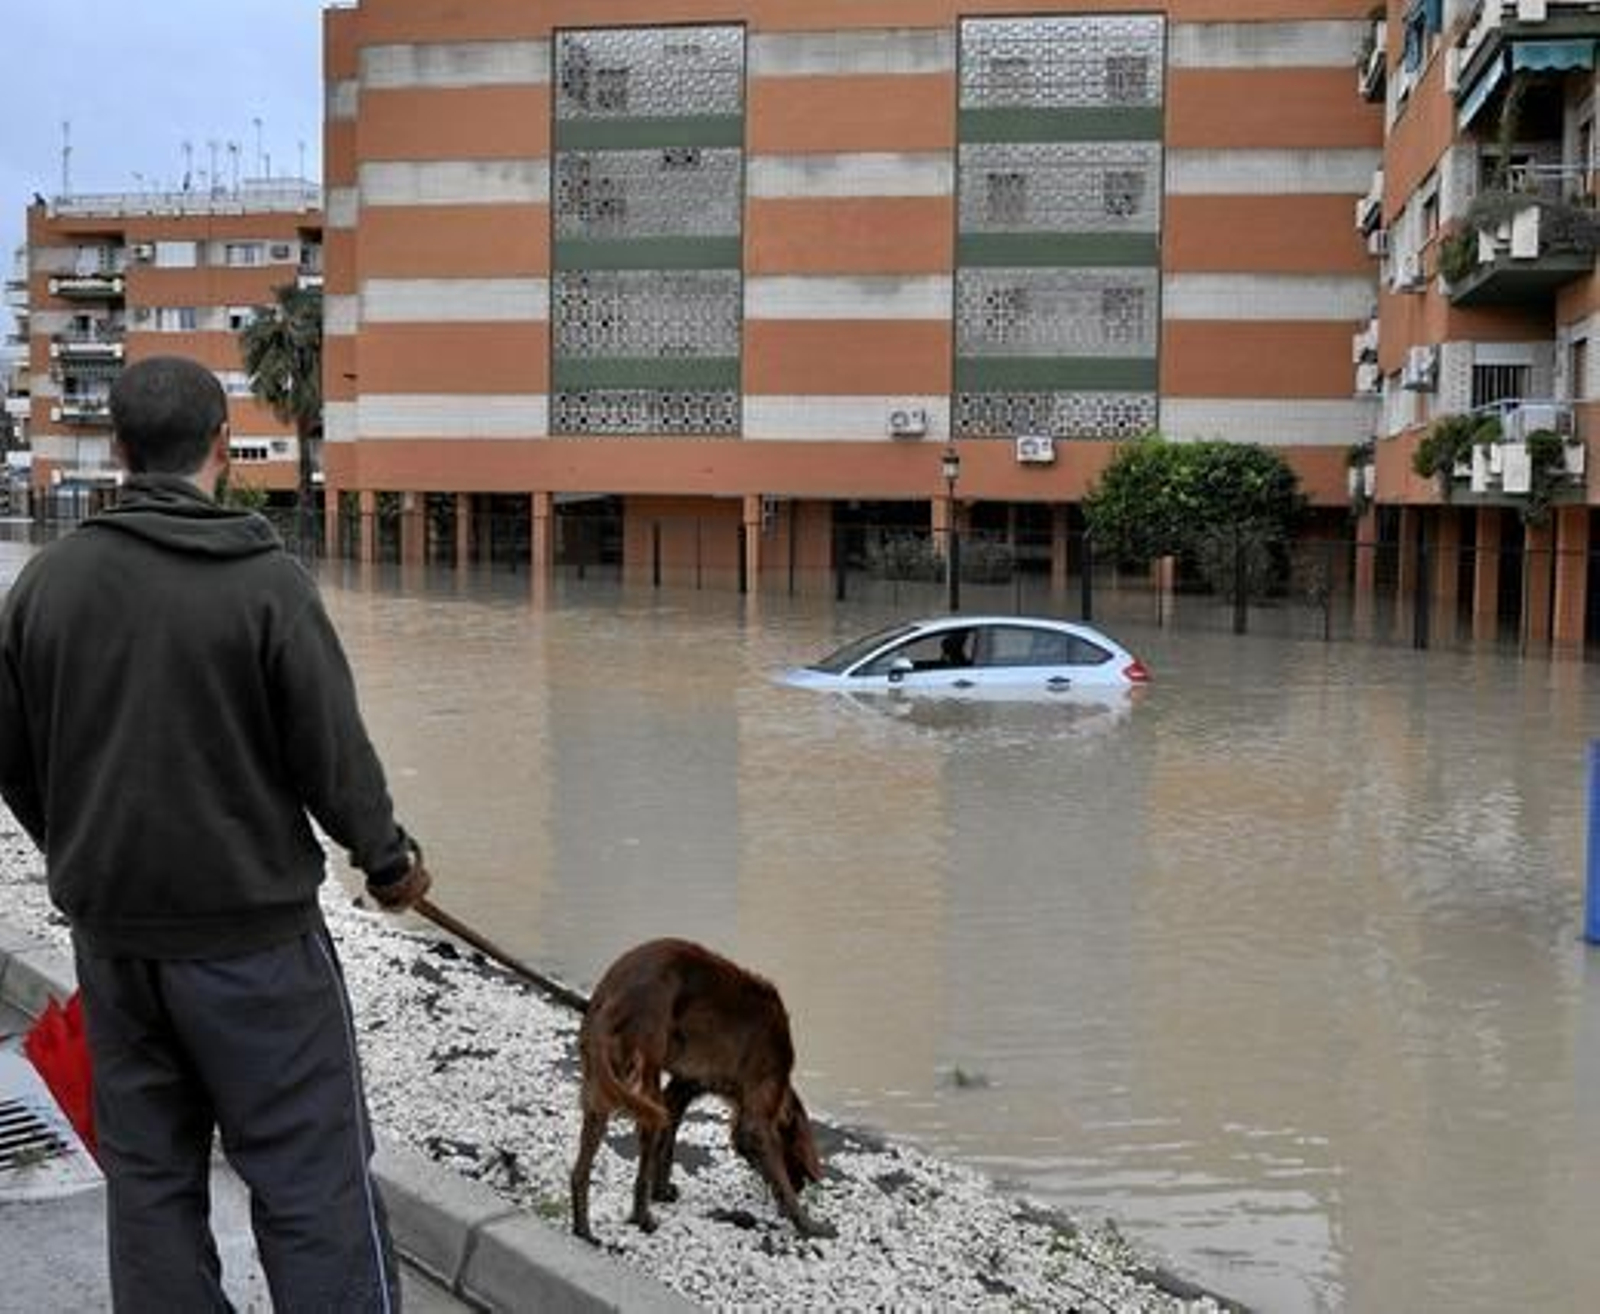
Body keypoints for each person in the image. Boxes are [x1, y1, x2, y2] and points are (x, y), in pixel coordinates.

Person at [0, 355, 431, 1311]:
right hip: (258, 948)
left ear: (116, 449)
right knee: (310, 1179)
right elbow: (334, 758)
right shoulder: (267, 585)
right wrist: (388, 859)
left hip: (115, 946)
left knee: (149, 1182)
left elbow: (15, 758)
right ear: (223, 448)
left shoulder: (44, 588)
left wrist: (79, 847)